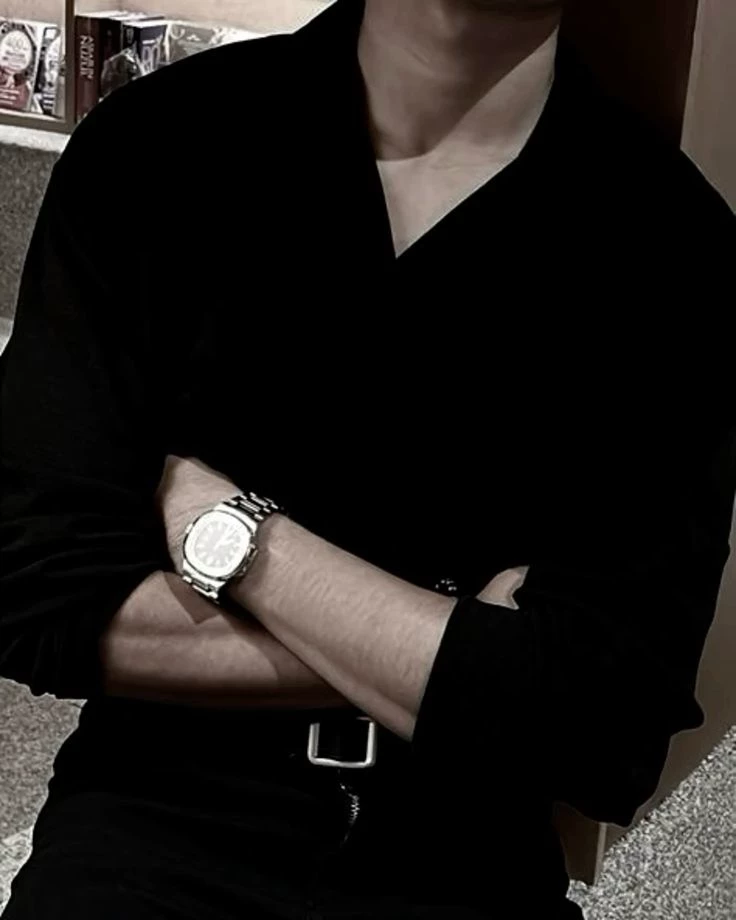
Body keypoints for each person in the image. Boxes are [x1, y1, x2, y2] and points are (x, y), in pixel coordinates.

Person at [1, 0, 734, 917]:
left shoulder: (677, 247)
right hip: (151, 825)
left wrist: (233, 538)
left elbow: (605, 727)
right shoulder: (156, 148)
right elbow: (34, 593)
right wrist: (468, 645)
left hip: (465, 854)